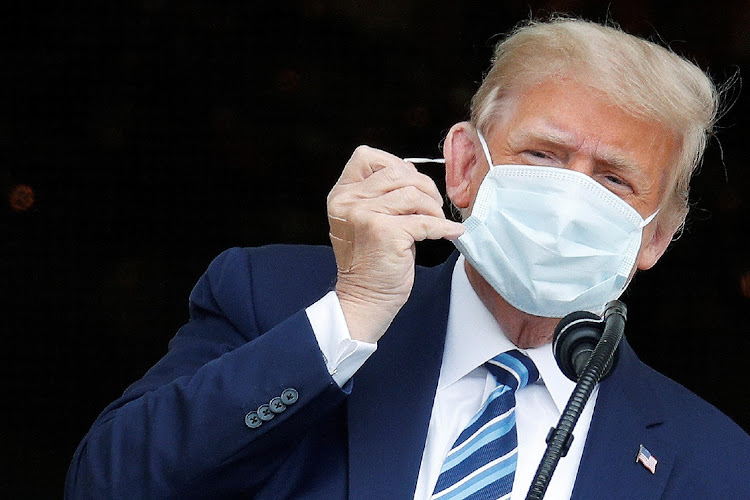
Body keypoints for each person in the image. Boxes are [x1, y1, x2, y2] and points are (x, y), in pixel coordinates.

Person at [66, 18, 750, 499]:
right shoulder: (272, 297)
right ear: (461, 167)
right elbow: (109, 484)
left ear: (657, 237)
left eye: (612, 179)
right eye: (541, 155)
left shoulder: (718, 463)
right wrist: (352, 316)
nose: (569, 197)